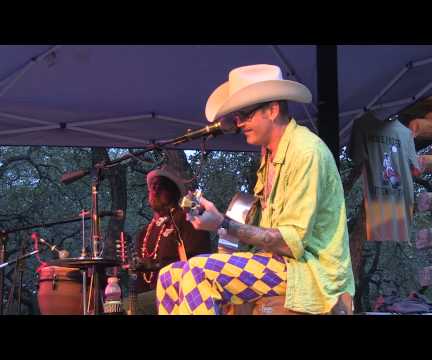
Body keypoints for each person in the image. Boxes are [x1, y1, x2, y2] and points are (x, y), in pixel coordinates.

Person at [155, 64, 355, 315]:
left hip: (310, 272)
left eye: (245, 114)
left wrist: (222, 224)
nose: (238, 123)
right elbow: (263, 233)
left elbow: (291, 245)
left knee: (198, 272)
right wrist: (220, 223)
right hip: (277, 264)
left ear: (272, 110)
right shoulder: (270, 155)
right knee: (168, 276)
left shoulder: (306, 152)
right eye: (237, 116)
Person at [127, 165, 211, 314]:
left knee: (124, 306)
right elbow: (140, 280)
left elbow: (199, 262)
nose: (155, 191)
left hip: (181, 289)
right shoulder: (144, 233)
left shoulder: (188, 219)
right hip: (152, 295)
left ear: (174, 192)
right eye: (152, 187)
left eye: (161, 186)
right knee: (118, 304)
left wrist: (154, 264)